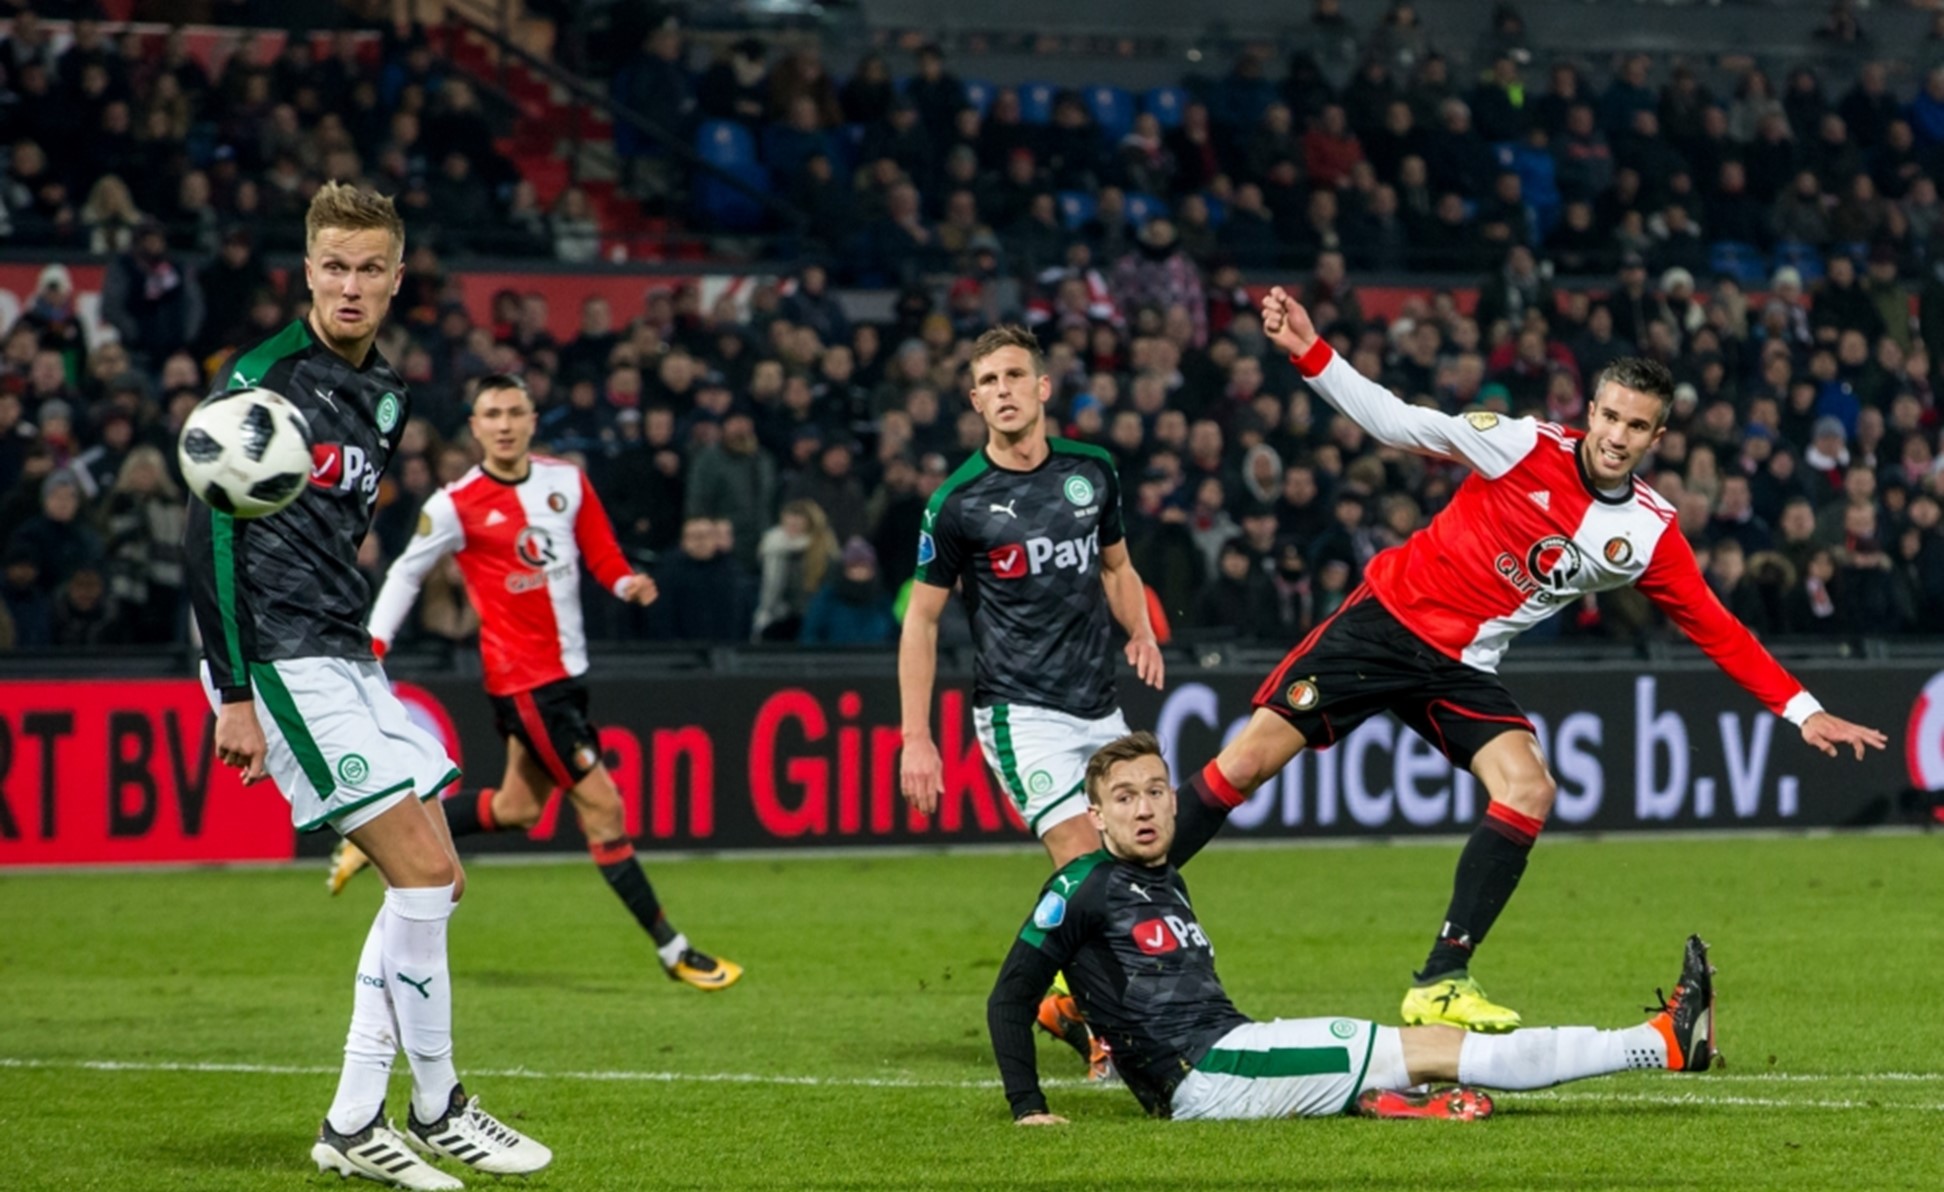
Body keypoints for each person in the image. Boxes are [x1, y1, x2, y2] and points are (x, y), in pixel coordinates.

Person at [1162, 286, 1887, 1035]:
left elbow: (1717, 628)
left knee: (1529, 787)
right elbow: (1399, 422)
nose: (1616, 435)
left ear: (1656, 437)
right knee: (1242, 767)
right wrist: (1309, 351)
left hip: (1462, 667)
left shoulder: (1647, 532)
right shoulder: (1521, 444)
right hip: (1384, 627)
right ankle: (1093, 923)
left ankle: (1441, 979)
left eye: (1636, 426)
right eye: (1608, 416)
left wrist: (1803, 711)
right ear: (1592, 411)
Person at [184, 183, 551, 1188]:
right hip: (281, 663)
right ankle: (436, 1105)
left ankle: (353, 1122)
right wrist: (231, 690)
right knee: (425, 879)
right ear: (306, 270)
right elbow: (205, 535)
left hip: (344, 651)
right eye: (333, 266)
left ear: (397, 277)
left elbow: (335, 534)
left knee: (440, 882)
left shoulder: (384, 395)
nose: (350, 285)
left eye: (369, 268)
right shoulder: (257, 382)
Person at [987, 732, 1719, 1124]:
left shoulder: (1159, 877)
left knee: (1413, 1055)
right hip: (1209, 1074)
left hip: (1227, 1059)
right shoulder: (1079, 888)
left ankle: (1385, 1105)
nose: (1145, 808)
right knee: (1437, 1047)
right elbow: (1009, 997)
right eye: (1124, 797)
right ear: (1096, 815)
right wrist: (1029, 1111)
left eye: (1154, 791)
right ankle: (1655, 1046)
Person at [334, 374, 741, 993]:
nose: (503, 424)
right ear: (474, 427)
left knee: (515, 808)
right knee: (604, 807)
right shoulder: (454, 504)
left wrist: (626, 583)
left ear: (531, 419)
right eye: (490, 414)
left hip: (566, 677)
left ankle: (387, 833)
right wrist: (375, 648)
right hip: (525, 685)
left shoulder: (566, 483)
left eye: (514, 412)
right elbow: (406, 575)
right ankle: (673, 949)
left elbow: (602, 553)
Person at [899, 323, 1164, 1077]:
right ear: (974, 401)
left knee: (1137, 862)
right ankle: (1114, 1032)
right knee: (1084, 862)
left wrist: (1140, 629)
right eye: (988, 382)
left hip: (1099, 704)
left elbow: (1117, 567)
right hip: (1021, 713)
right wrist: (917, 738)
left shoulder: (1092, 471)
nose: (1003, 392)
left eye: (1015, 376)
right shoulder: (958, 502)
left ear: (1043, 388)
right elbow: (921, 620)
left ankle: (1064, 1001)